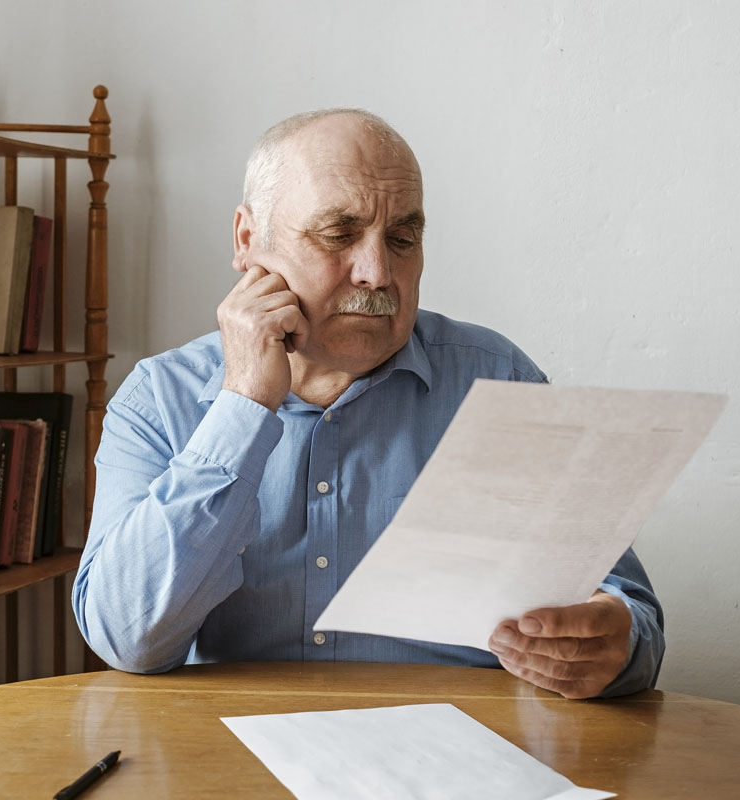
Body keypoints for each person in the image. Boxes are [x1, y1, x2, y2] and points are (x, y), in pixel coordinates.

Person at [73, 109, 664, 698]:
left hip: (458, 754)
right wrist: (245, 403)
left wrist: (611, 644)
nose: (378, 272)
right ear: (249, 240)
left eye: (403, 238)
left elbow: (629, 615)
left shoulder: (499, 381)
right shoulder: (160, 399)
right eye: (338, 234)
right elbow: (128, 639)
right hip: (236, 756)